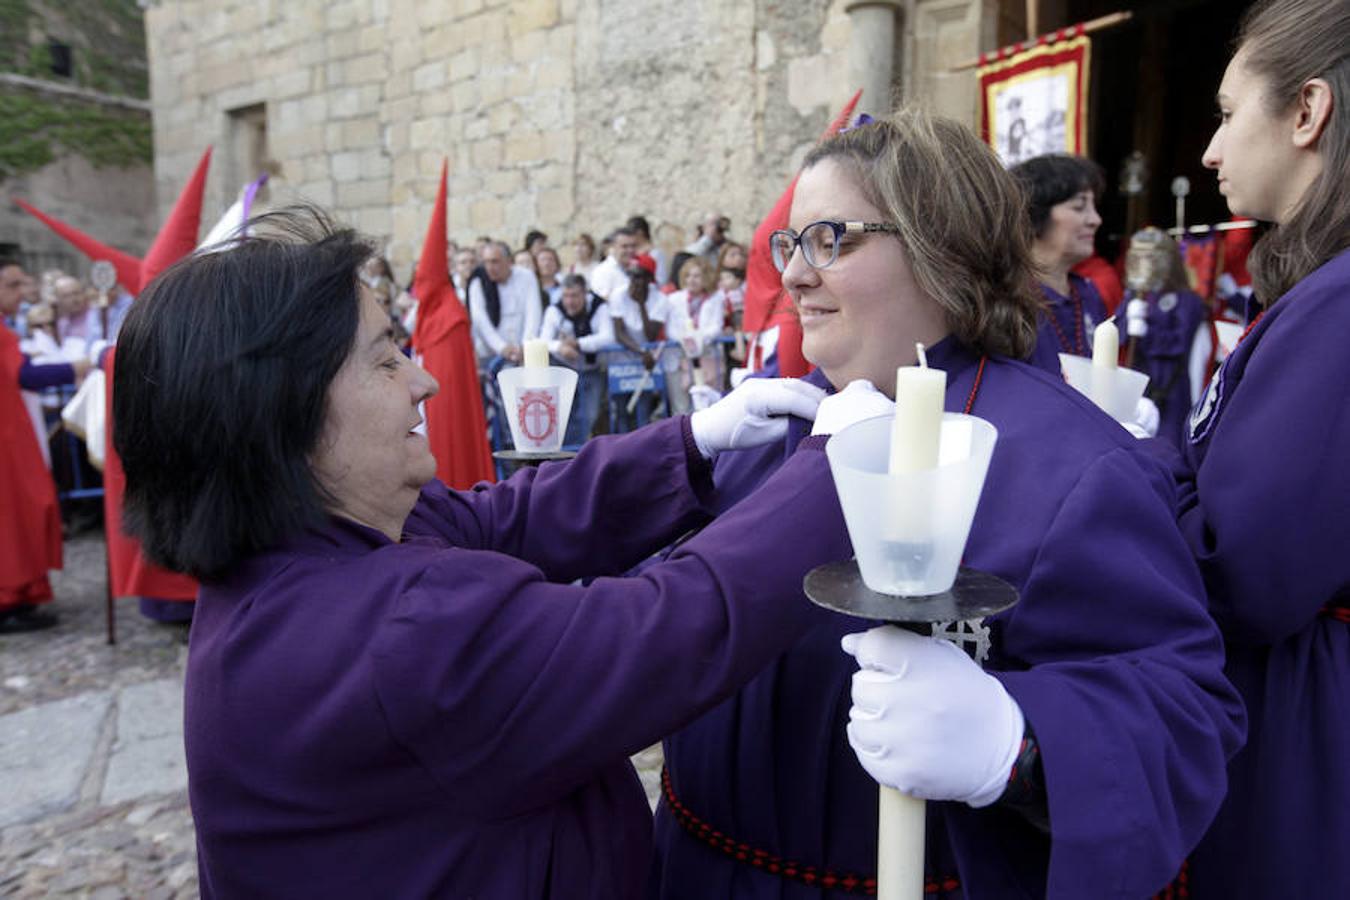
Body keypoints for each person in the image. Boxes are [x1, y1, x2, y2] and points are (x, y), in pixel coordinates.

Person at [108, 208, 905, 899]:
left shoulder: (306, 547)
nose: (423, 381)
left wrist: (691, 443)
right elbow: (668, 628)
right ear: (282, 415)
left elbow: (506, 517)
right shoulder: (399, 628)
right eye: (385, 359)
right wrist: (831, 477)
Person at [652, 108, 1244, 899]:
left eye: (831, 239)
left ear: (941, 249)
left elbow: (1183, 718)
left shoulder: (1075, 466)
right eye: (789, 244)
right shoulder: (767, 430)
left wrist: (1017, 743)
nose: (793, 275)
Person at [1180, 2, 1350, 895]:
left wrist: (1128, 470)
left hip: (1299, 729)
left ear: (1307, 111)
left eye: (1227, 110)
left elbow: (1246, 572)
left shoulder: (1339, 307)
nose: (1210, 150)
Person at [0, 259, 87, 633]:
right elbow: (23, 375)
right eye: (14, 286)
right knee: (14, 516)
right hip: (7, 441)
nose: (23, 294)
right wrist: (76, 367)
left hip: (13, 432)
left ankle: (20, 595)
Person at [1009, 154, 1109, 373]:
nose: (1095, 220)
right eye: (1079, 207)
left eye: (1093, 206)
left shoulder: (1088, 293)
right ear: (1036, 212)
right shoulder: (1008, 301)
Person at [537, 273, 612, 445]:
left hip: (591, 370)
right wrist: (560, 347)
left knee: (589, 415)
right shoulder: (555, 310)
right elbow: (544, 340)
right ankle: (566, 456)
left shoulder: (599, 307)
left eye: (575, 296)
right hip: (563, 368)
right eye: (566, 296)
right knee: (562, 415)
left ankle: (575, 454)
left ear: (585, 294)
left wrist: (578, 343)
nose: (570, 301)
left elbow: (608, 337)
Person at [467, 241, 541, 364]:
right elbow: (480, 320)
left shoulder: (526, 277)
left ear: (509, 261)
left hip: (523, 353)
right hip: (491, 354)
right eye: (486, 262)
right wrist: (501, 348)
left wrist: (526, 345)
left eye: (494, 262)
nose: (489, 267)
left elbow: (533, 313)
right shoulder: (478, 283)